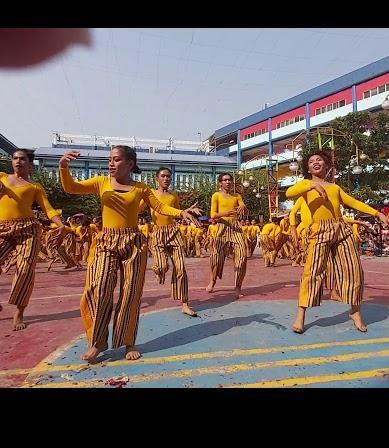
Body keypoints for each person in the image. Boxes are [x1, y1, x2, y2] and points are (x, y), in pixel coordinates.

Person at [59, 146, 201, 362]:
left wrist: (181, 212)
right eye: (110, 159)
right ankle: (97, 342)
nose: (111, 163)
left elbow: (160, 207)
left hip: (133, 243)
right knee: (99, 288)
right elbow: (71, 188)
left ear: (130, 163)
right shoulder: (101, 182)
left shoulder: (141, 188)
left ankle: (128, 342)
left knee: (130, 293)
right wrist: (63, 167)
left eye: (116, 159)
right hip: (106, 241)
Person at [285, 150, 389, 334]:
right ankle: (301, 314)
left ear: (326, 165)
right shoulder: (305, 184)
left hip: (341, 229)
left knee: (354, 269)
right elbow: (289, 192)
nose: (316, 162)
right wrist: (311, 186)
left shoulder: (334, 187)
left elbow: (353, 202)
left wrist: (377, 213)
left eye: (320, 160)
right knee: (313, 271)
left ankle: (355, 311)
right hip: (319, 230)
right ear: (308, 168)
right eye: (312, 161)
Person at [0, 149, 65, 331]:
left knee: (25, 269)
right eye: (15, 158)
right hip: (3, 229)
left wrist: (60, 225)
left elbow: (48, 209)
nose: (18, 162)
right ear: (11, 161)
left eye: (23, 159)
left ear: (30, 164)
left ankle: (19, 312)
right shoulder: (1, 177)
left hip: (28, 230)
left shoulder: (35, 187)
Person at [139, 167, 199, 317]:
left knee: (181, 268)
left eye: (169, 177)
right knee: (162, 266)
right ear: (156, 178)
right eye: (163, 176)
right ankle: (159, 269)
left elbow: (177, 213)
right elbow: (136, 209)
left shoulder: (173, 195)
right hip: (158, 233)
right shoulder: (150, 194)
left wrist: (188, 211)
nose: (166, 179)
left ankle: (185, 303)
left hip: (174, 233)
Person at [206, 173, 248, 299]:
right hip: (222, 228)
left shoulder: (237, 196)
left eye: (229, 180)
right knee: (216, 258)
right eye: (225, 180)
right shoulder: (216, 195)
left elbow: (243, 208)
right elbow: (213, 215)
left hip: (235, 229)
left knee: (242, 258)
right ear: (220, 183)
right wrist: (226, 213)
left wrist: (243, 206)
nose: (228, 182)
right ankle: (212, 280)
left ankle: (237, 286)